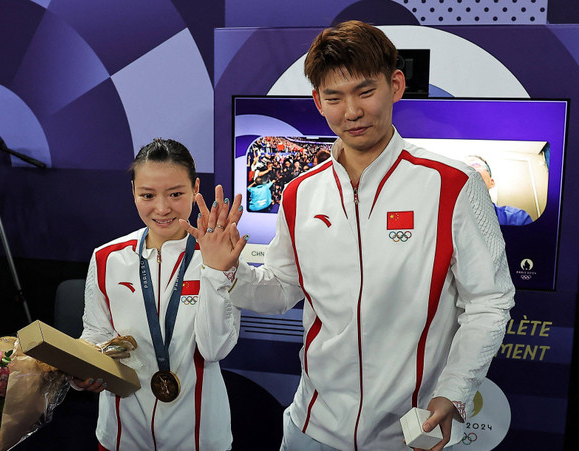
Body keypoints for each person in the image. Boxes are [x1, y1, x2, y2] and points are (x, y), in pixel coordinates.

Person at [189, 21, 515, 451]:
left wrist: (454, 390)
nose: (352, 111)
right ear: (317, 102)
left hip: (409, 431)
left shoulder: (453, 184)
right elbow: (283, 289)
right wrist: (229, 273)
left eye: (365, 91)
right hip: (310, 426)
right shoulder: (301, 192)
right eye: (334, 97)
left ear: (395, 85)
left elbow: (489, 301)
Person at [74, 138, 242, 451]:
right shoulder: (107, 258)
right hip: (121, 432)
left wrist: (217, 273)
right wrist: (83, 370)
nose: (162, 208)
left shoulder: (219, 255)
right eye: (147, 195)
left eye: (176, 194)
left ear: (195, 188)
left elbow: (215, 348)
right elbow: (96, 333)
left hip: (197, 434)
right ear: (134, 192)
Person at [465, 155, 533, 226]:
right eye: (463, 167)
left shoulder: (517, 218)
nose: (468, 170)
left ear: (492, 182)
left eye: (475, 164)